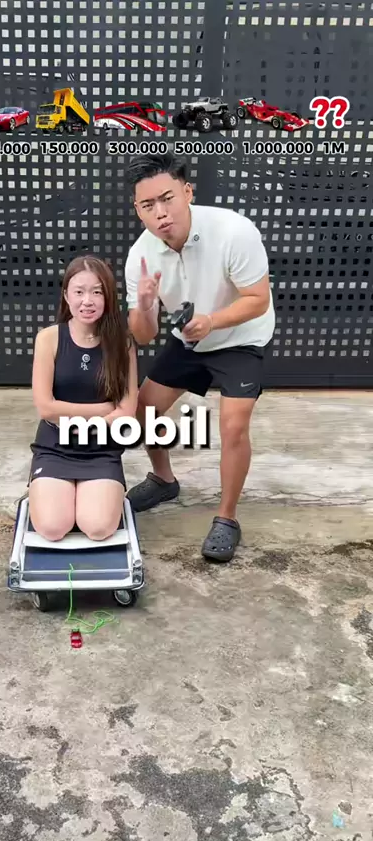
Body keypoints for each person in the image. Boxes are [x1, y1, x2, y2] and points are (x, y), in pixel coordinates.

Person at [123, 151, 275, 562]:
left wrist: (212, 321)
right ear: (137, 210)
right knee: (142, 411)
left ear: (187, 192)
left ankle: (227, 518)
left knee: (233, 425)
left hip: (241, 334)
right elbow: (144, 335)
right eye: (148, 205)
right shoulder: (140, 257)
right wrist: (144, 305)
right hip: (190, 336)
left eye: (167, 198)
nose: (161, 212)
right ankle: (164, 480)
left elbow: (258, 300)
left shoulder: (233, 230)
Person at [28, 255, 138, 541]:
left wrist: (80, 421)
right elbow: (46, 407)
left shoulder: (123, 343)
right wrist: (103, 410)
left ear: (108, 297)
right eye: (79, 292)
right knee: (53, 528)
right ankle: (49, 493)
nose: (87, 301)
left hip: (101, 448)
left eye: (97, 292)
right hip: (55, 445)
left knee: (98, 527)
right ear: (66, 296)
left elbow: (127, 410)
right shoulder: (49, 338)